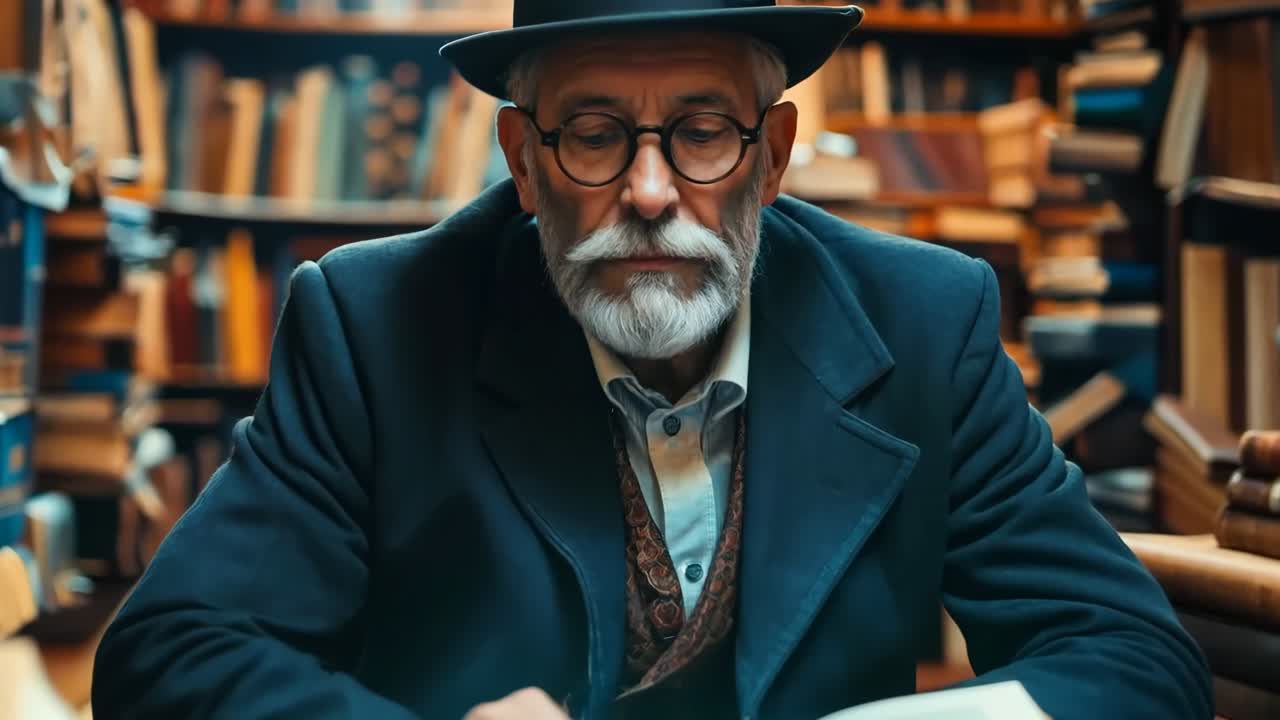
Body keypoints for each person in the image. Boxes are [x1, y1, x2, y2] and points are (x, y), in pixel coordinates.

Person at [91, 1, 1213, 718]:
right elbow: (168, 659)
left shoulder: (926, 321)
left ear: (769, 156)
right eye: (590, 134)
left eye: (701, 130)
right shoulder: (374, 323)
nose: (646, 192)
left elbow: (1129, 657)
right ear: (523, 165)